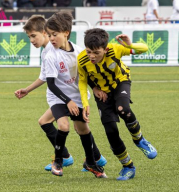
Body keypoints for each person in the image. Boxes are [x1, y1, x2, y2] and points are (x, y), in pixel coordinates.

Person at [14, 14, 106, 173]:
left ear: (45, 33)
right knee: (53, 123)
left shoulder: (57, 49)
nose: (31, 40)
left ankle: (75, 157)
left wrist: (94, 88)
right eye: (29, 37)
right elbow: (45, 77)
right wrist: (27, 90)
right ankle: (90, 157)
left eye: (33, 36)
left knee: (76, 127)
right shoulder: (47, 52)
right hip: (61, 96)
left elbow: (83, 73)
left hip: (71, 95)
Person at [77, 28, 157, 181]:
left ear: (105, 49)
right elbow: (82, 81)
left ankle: (139, 139)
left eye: (96, 52)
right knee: (111, 130)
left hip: (120, 82)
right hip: (102, 93)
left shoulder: (115, 50)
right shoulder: (82, 60)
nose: (91, 56)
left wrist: (130, 44)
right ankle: (128, 166)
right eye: (88, 51)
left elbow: (144, 49)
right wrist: (86, 102)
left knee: (123, 109)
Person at [42, 12, 107, 178]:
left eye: (54, 34)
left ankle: (91, 162)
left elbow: (84, 76)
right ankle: (58, 161)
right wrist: (68, 101)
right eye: (49, 35)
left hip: (76, 97)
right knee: (64, 126)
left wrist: (94, 88)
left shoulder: (80, 52)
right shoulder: (50, 56)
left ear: (66, 33)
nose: (51, 38)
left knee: (83, 130)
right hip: (57, 97)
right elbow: (51, 84)